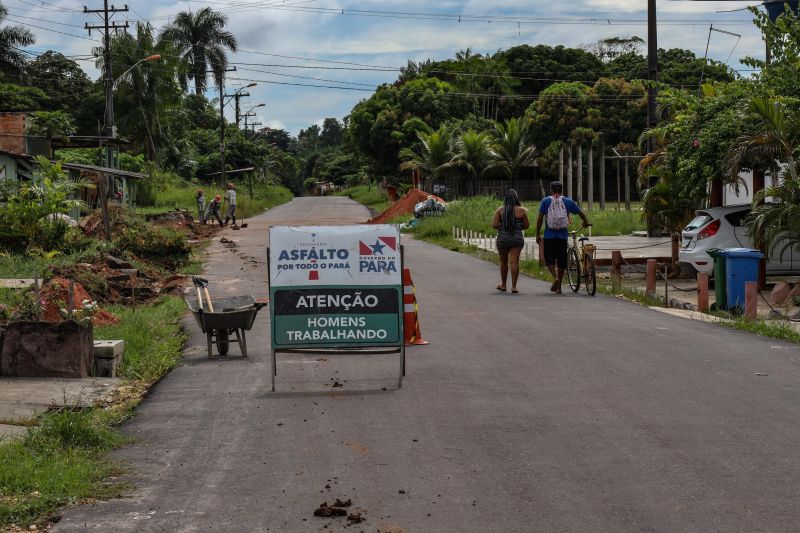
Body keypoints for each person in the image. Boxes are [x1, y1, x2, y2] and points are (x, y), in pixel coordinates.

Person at [535, 181, 590, 294]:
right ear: (562, 190)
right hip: (562, 236)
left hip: (549, 235)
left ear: (551, 190)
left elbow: (540, 219)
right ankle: (559, 287)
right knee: (561, 261)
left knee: (549, 259)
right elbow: (580, 213)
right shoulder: (568, 201)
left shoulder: (545, 201)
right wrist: (585, 222)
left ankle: (555, 277)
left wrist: (537, 233)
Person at [492, 188, 529, 294]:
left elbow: (494, 225)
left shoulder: (500, 210)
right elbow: (526, 226)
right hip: (516, 240)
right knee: (514, 262)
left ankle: (503, 285)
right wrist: (518, 226)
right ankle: (514, 287)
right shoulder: (522, 211)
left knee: (503, 262)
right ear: (516, 198)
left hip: (503, 239)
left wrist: (502, 225)